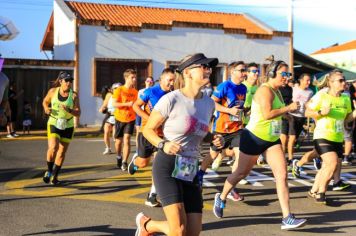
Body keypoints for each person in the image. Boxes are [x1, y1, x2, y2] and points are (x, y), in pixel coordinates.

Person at [135, 53, 223, 236]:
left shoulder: (208, 103)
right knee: (179, 231)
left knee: (193, 232)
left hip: (190, 168)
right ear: (188, 73)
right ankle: (147, 226)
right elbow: (148, 130)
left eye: (209, 67)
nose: (208, 70)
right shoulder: (171, 99)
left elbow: (200, 132)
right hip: (168, 165)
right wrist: (162, 144)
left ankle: (146, 226)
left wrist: (214, 137)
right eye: (203, 67)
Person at [213, 60, 307, 230]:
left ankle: (287, 217)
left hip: (272, 139)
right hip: (254, 138)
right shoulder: (265, 90)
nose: (287, 77)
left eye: (288, 74)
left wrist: (288, 114)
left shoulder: (277, 91)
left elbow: (276, 113)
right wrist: (288, 109)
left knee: (282, 175)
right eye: (284, 74)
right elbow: (267, 114)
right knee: (241, 172)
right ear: (272, 74)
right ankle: (222, 196)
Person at [305, 69, 355, 204]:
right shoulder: (322, 96)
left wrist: (355, 113)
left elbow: (347, 119)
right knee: (332, 163)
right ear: (331, 83)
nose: (344, 82)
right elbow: (307, 112)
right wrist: (321, 112)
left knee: (326, 166)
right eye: (340, 80)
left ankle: (313, 190)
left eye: (344, 80)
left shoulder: (345, 97)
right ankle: (321, 193)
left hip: (337, 138)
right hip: (322, 135)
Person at [199, 61, 247, 201]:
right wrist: (229, 110)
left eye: (245, 70)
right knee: (213, 155)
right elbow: (212, 102)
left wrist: (243, 111)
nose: (244, 72)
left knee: (239, 156)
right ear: (233, 72)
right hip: (221, 128)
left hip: (237, 128)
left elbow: (238, 106)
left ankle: (231, 187)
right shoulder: (224, 86)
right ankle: (200, 174)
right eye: (241, 70)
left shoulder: (243, 88)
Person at [130, 69, 175, 207]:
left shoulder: (173, 95)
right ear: (161, 80)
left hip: (163, 137)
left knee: (158, 166)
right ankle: (135, 161)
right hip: (147, 133)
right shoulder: (150, 91)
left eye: (174, 80)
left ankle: (152, 195)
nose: (172, 83)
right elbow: (136, 106)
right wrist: (150, 119)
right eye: (169, 80)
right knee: (143, 163)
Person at [42, 71, 81, 185]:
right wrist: (46, 108)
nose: (69, 83)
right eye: (66, 81)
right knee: (53, 147)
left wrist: (69, 110)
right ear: (60, 81)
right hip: (54, 122)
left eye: (71, 81)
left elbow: (78, 113)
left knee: (62, 152)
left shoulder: (73, 95)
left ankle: (55, 176)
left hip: (68, 125)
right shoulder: (53, 91)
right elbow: (45, 101)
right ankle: (49, 171)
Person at [112, 69, 138, 171]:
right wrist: (126, 104)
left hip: (131, 119)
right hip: (119, 118)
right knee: (118, 142)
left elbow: (137, 105)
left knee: (127, 140)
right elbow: (114, 104)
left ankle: (124, 162)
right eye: (132, 77)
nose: (134, 79)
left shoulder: (135, 92)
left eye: (135, 77)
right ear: (126, 78)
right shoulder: (119, 90)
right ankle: (119, 156)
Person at [286, 74, 313, 165]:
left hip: (302, 117)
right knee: (292, 138)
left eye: (310, 80)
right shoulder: (294, 89)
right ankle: (290, 159)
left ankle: (288, 153)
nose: (309, 82)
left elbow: (308, 104)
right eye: (307, 80)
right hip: (292, 115)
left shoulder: (310, 92)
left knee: (295, 139)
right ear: (301, 80)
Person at [99, 83, 121, 155]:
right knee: (106, 131)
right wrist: (102, 108)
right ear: (112, 89)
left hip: (118, 117)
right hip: (109, 116)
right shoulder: (109, 95)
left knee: (115, 135)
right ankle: (108, 148)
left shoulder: (121, 96)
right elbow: (104, 104)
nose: (117, 89)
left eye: (118, 88)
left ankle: (118, 149)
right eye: (115, 88)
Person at [135, 77, 155, 153]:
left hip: (149, 113)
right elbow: (138, 103)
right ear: (145, 82)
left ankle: (151, 148)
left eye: (150, 81)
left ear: (152, 83)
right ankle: (138, 150)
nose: (149, 82)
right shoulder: (141, 91)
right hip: (140, 113)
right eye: (147, 81)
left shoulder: (154, 91)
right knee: (139, 131)